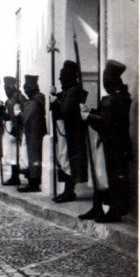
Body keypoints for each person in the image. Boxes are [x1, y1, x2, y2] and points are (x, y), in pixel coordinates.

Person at [79, 59, 132, 223]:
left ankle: (114, 211)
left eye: (106, 78)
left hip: (115, 144)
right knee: (100, 175)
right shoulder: (113, 97)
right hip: (106, 142)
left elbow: (108, 122)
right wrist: (91, 111)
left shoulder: (120, 98)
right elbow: (104, 116)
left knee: (114, 177)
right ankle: (97, 207)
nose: (104, 82)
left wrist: (88, 117)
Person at [49, 60, 88, 202]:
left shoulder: (74, 91)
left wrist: (55, 101)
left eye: (62, 75)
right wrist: (54, 98)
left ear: (69, 75)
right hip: (64, 132)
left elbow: (67, 111)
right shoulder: (66, 92)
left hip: (72, 133)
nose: (59, 78)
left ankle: (69, 191)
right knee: (64, 159)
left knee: (69, 160)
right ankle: (67, 190)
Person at [15, 74, 47, 193]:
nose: (26, 90)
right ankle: (32, 180)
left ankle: (33, 183)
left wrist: (18, 113)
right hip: (34, 132)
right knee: (32, 156)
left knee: (33, 157)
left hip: (33, 133)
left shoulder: (33, 102)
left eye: (27, 88)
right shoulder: (36, 100)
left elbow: (25, 118)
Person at [1, 76, 25, 186]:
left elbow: (20, 114)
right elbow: (7, 115)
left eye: (7, 88)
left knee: (17, 153)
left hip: (16, 130)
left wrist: (16, 129)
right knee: (12, 154)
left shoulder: (18, 97)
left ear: (12, 87)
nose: (6, 91)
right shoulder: (9, 100)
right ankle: (14, 176)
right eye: (5, 88)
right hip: (10, 129)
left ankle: (16, 176)